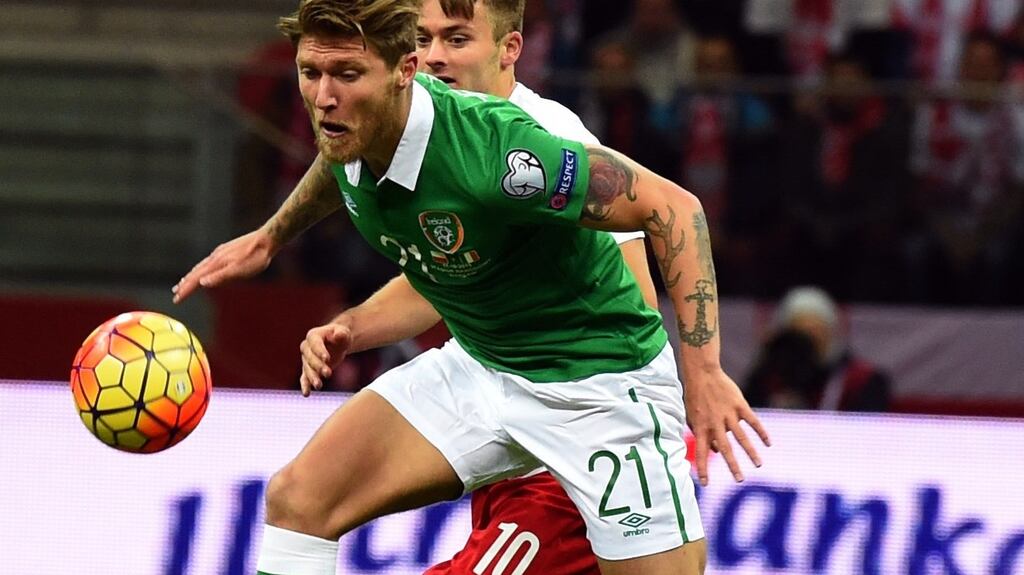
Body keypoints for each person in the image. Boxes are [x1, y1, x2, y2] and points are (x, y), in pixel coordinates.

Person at [177, 1, 769, 573]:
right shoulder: (356, 120)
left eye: (347, 74)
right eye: (312, 73)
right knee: (299, 499)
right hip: (482, 364)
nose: (325, 97)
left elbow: (674, 209)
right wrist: (273, 236)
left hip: (594, 390)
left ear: (400, 75)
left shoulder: (508, 153)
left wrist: (704, 371)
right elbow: (345, 167)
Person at [744, 286, 891, 412]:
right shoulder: (767, 378)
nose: (810, 342)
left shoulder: (862, 380)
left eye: (817, 331)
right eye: (801, 334)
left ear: (832, 332)